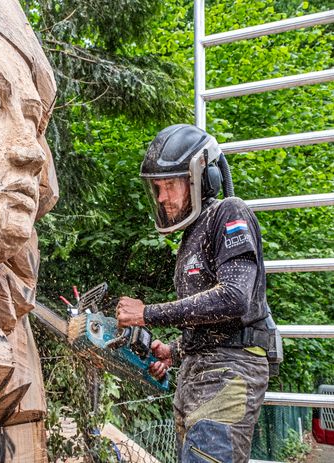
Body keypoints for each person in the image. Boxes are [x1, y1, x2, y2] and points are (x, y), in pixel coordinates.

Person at [116, 124, 271, 463]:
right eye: (157, 187)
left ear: (202, 178)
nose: (161, 197)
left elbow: (233, 298)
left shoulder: (229, 213)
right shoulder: (191, 236)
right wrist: (175, 350)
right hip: (198, 375)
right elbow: (208, 320)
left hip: (230, 371)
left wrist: (147, 313)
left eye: (169, 185)